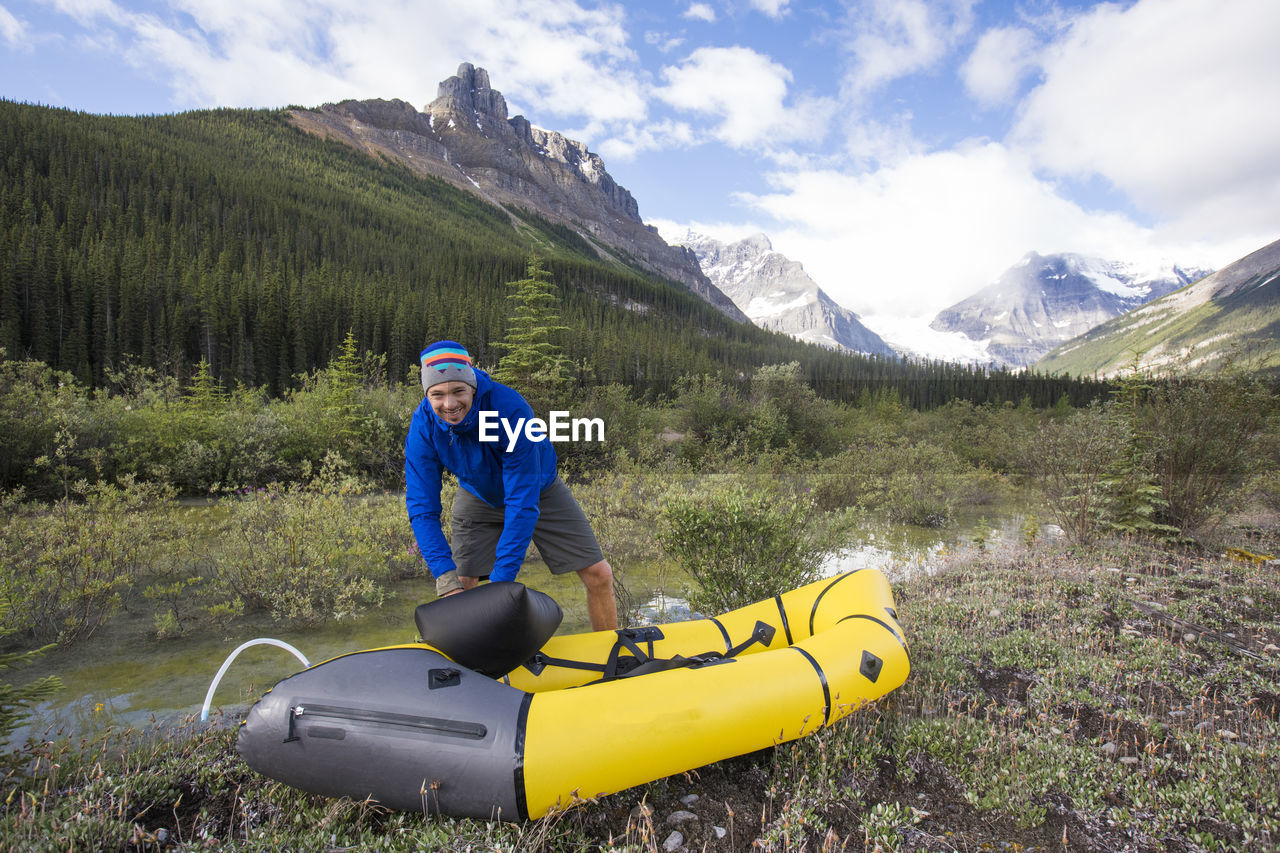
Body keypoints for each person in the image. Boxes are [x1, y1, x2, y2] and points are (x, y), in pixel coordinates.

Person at [405, 340, 618, 631]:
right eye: (437, 395)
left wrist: (501, 584)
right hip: (478, 492)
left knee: (599, 574)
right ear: (427, 394)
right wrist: (445, 579)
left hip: (537, 489)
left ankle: (612, 655)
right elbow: (422, 508)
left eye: (458, 391)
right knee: (461, 585)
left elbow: (521, 501)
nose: (450, 404)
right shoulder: (423, 425)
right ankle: (473, 664)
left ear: (472, 386)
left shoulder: (509, 409)